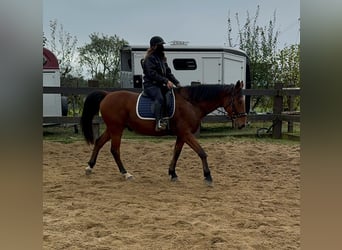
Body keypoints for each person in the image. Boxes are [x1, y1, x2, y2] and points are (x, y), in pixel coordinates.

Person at [142, 36, 181, 131]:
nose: (162, 47)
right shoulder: (149, 59)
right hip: (151, 85)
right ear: (154, 46)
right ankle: (158, 122)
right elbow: (152, 74)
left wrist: (177, 83)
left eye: (162, 45)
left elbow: (168, 72)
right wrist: (166, 81)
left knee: (170, 95)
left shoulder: (162, 59)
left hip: (160, 85)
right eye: (160, 45)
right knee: (159, 98)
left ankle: (168, 119)